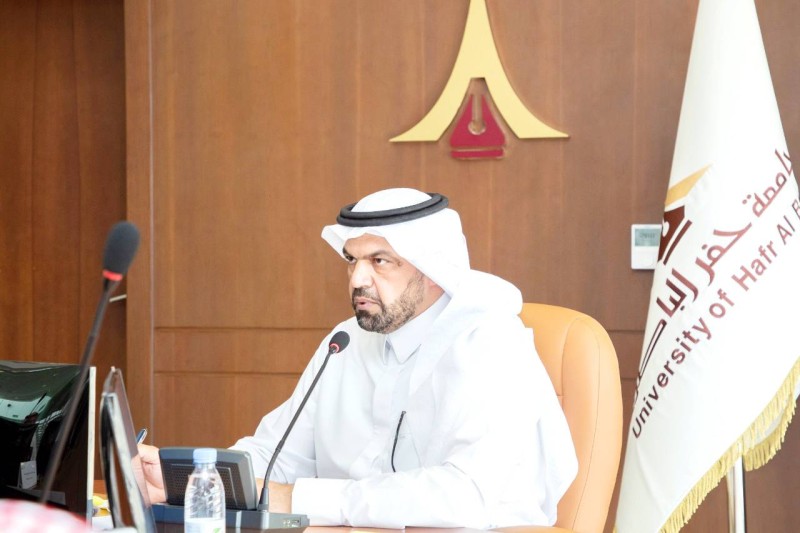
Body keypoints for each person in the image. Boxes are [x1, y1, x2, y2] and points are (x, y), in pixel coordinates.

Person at [139, 188, 577, 528]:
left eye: (380, 261)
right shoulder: (345, 341)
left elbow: (464, 496)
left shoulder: (489, 344)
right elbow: (278, 455)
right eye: (352, 260)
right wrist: (187, 478)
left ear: (432, 272)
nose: (357, 279)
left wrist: (298, 499)